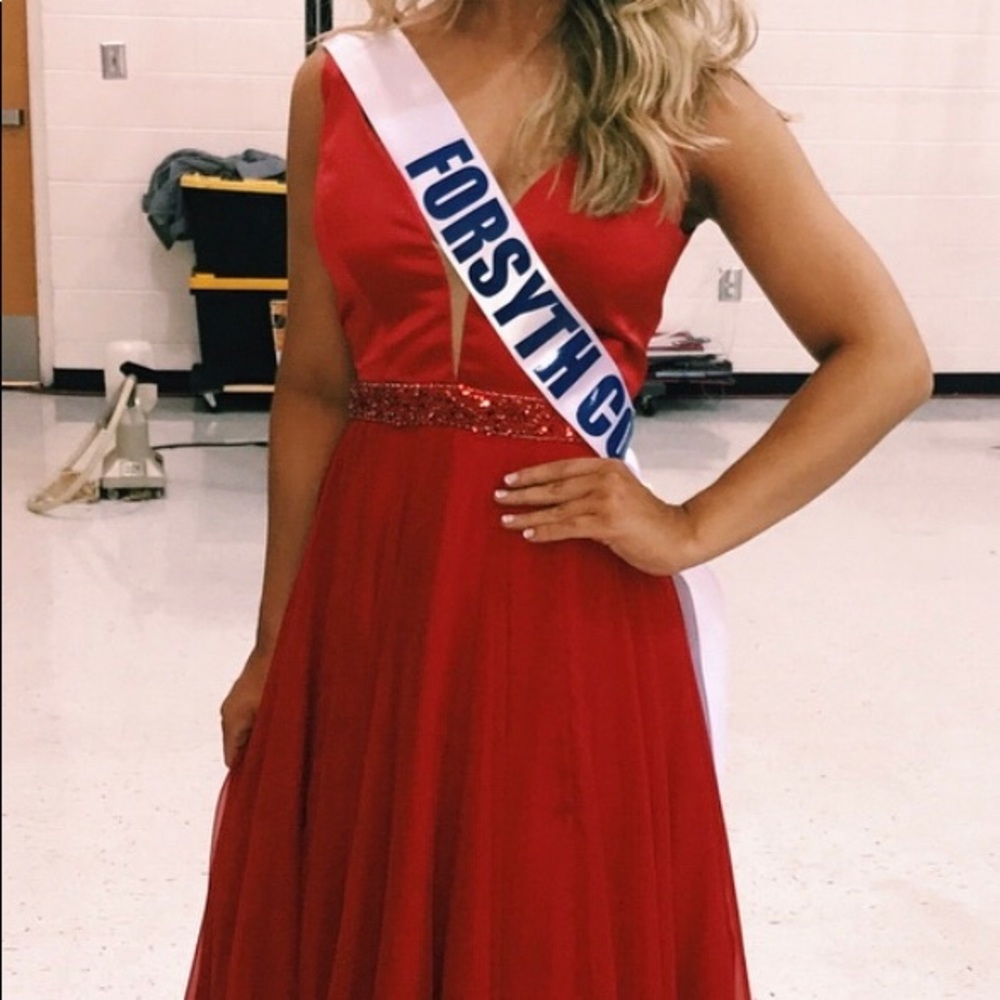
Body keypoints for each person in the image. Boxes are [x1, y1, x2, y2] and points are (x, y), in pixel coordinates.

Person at [185, 1, 932, 997]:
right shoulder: (344, 82)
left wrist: (690, 525)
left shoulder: (687, 101)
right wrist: (276, 644)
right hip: (372, 587)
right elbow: (317, 384)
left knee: (545, 912)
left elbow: (884, 356)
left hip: (564, 593)